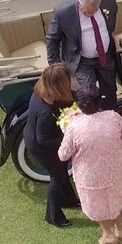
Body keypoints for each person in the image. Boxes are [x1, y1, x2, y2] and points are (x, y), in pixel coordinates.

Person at [58, 85, 122, 244]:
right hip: (113, 171)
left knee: (96, 203)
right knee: (114, 198)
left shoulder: (74, 126)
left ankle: (108, 233)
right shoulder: (113, 117)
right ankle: (119, 226)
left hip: (89, 177)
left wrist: (66, 131)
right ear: (100, 101)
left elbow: (62, 155)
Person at [23, 63, 81, 228]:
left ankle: (69, 200)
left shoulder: (41, 91)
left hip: (37, 136)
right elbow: (42, 139)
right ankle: (53, 216)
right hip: (41, 145)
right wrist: (68, 141)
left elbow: (69, 97)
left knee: (62, 172)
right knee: (57, 178)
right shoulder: (46, 112)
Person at [46, 0, 120, 110]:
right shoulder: (63, 12)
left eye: (94, 12)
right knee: (89, 94)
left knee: (110, 91)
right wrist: (54, 66)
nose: (90, 15)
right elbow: (52, 39)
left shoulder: (109, 1)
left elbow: (111, 24)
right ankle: (92, 121)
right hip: (81, 60)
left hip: (105, 57)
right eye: (86, 12)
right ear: (80, 3)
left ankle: (110, 118)